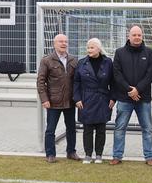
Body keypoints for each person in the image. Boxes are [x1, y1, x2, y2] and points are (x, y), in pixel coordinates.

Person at [111, 25, 152, 165]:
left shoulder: (149, 52)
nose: (137, 37)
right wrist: (130, 90)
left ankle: (149, 157)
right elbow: (117, 74)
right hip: (125, 98)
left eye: (139, 35)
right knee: (120, 127)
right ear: (129, 36)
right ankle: (117, 156)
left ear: (142, 36)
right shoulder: (119, 53)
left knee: (147, 129)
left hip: (143, 98)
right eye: (134, 35)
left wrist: (138, 90)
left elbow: (150, 75)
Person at [36, 34, 79, 163]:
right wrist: (44, 99)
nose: (63, 43)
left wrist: (77, 98)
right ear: (54, 44)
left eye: (66, 41)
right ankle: (50, 154)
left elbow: (77, 81)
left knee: (71, 128)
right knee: (50, 129)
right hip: (53, 102)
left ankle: (71, 152)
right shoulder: (47, 60)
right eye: (60, 41)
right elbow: (40, 81)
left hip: (70, 101)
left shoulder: (73, 60)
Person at [73, 38, 115, 164]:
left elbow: (113, 82)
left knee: (101, 129)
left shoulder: (108, 62)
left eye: (92, 47)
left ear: (99, 48)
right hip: (86, 99)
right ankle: (88, 154)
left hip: (103, 99)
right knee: (88, 129)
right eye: (88, 48)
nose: (89, 50)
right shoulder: (81, 63)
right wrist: (77, 98)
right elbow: (76, 82)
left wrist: (113, 98)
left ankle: (99, 155)